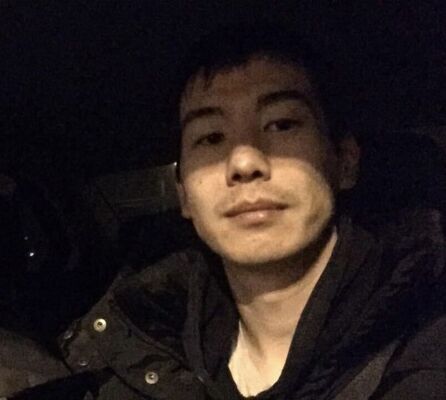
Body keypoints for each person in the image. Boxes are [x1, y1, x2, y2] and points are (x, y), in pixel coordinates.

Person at [5, 24, 445, 400]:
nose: (244, 161)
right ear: (184, 195)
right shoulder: (130, 359)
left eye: (282, 124)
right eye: (211, 138)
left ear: (344, 161)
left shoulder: (427, 342)